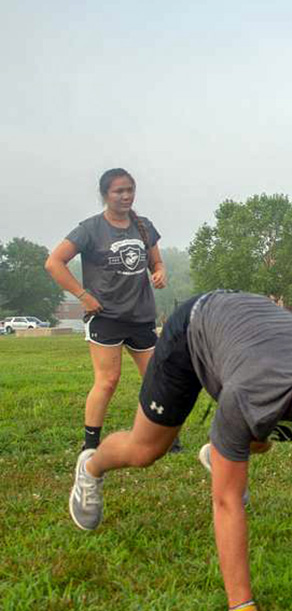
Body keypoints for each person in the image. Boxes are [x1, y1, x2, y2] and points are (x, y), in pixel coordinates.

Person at [67, 290, 292, 611]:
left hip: (250, 342)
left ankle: (223, 455)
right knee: (146, 450)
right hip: (193, 332)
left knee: (258, 436)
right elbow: (227, 501)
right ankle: (90, 467)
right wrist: (240, 607)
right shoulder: (247, 395)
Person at [45, 169, 184, 453]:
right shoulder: (90, 229)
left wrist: (160, 273)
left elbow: (157, 263)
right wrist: (83, 295)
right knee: (108, 381)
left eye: (130, 190)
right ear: (105, 195)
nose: (125, 196)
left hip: (141, 317)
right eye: (118, 191)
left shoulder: (144, 226)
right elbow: (54, 263)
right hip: (106, 317)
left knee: (158, 380)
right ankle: (91, 445)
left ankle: (169, 440)